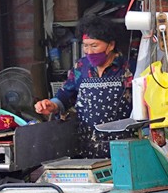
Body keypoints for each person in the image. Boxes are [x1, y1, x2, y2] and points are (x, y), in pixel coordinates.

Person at [35, 14, 133, 159]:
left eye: (94, 46)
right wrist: (52, 105)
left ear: (111, 45)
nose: (89, 51)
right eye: (85, 46)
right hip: (85, 145)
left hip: (123, 146)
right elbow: (65, 95)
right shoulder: (81, 67)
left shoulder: (128, 68)